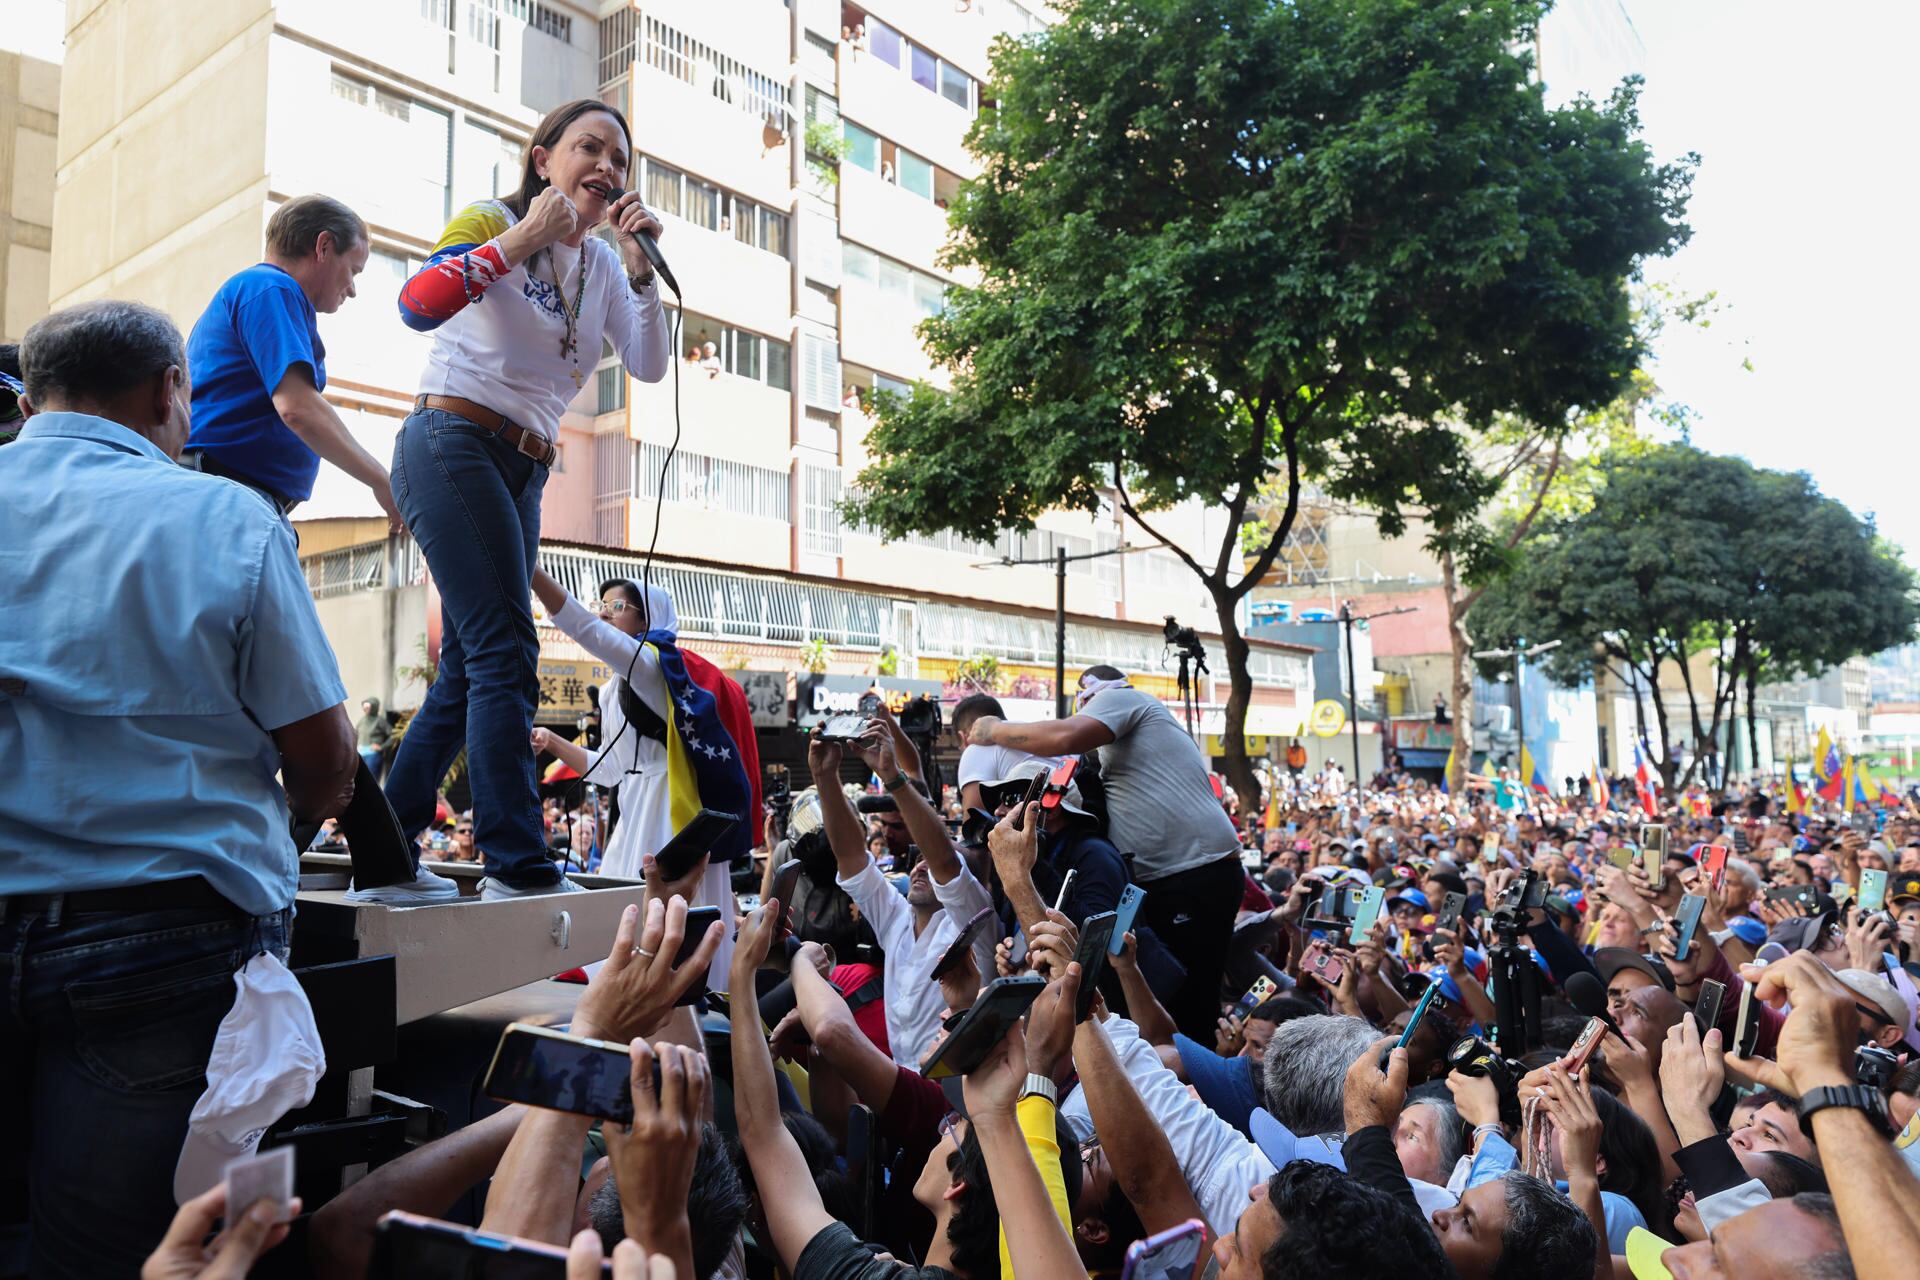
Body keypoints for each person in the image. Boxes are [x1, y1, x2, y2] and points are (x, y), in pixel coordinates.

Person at [2, 300, 357, 1276]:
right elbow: (327, 760)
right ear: (170, 391)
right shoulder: (226, 516)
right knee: (118, 1255)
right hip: (164, 945)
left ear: (32, 397)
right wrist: (284, 822)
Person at [386, 98, 670, 900]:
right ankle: (516, 862)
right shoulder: (489, 217)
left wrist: (640, 265)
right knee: (508, 652)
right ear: (543, 158)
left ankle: (386, 843)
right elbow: (416, 304)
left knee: (470, 671)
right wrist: (523, 238)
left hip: (525, 469)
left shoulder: (607, 267)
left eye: (620, 158)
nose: (607, 168)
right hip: (452, 442)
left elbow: (647, 365)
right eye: (590, 148)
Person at [969, 665, 1246, 1037]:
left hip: (1194, 870)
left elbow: (1066, 736)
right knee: (1177, 998)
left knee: (1188, 1003)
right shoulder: (1116, 757)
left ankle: (1197, 1082)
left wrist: (993, 730)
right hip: (1174, 877)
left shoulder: (1123, 698)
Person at [528, 569, 758, 973]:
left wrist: (530, 570)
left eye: (616, 606)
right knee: (627, 931)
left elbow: (583, 629)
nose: (603, 615)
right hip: (633, 811)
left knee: (662, 932)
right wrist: (553, 742)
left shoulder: (653, 668)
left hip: (667, 811)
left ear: (647, 617)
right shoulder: (615, 686)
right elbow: (612, 770)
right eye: (601, 606)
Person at [182, 194, 399, 529]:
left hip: (237, 493)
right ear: (324, 246)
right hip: (226, 492)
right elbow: (297, 409)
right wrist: (381, 480)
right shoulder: (271, 287)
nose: (353, 289)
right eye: (353, 270)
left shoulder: (263, 292)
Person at [355, 695, 391, 778]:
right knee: (359, 780)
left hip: (373, 755)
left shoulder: (380, 720)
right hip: (360, 754)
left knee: (371, 780)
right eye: (364, 707)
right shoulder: (362, 720)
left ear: (374, 707)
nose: (365, 709)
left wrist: (382, 747)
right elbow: (355, 733)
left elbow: (393, 735)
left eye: (368, 707)